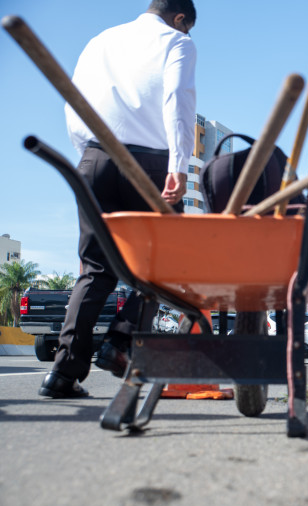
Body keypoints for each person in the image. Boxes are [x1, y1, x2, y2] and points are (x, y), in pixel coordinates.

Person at [38, 0, 198, 398]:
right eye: (188, 27)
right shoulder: (177, 42)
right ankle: (119, 343)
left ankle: (62, 374)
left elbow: (74, 103)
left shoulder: (100, 41)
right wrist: (179, 165)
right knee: (165, 265)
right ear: (180, 18)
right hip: (152, 166)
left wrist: (89, 157)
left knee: (95, 268)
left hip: (95, 158)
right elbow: (179, 101)